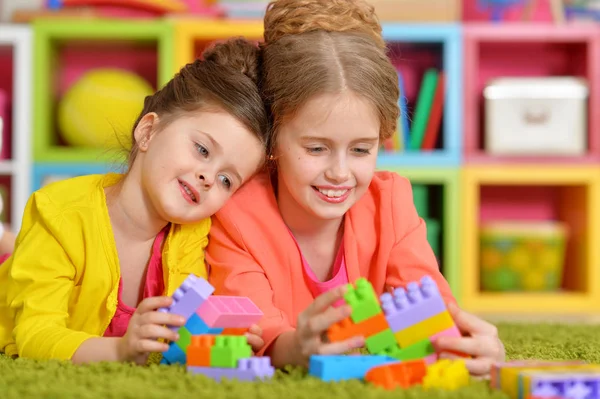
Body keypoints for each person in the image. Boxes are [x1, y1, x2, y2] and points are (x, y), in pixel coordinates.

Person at [206, 0, 505, 376]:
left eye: (361, 149)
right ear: (273, 137)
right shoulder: (237, 214)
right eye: (316, 148)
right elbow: (251, 326)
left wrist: (469, 344)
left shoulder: (391, 203)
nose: (340, 173)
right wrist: (294, 347)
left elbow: (431, 309)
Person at [0, 38, 267, 365]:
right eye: (202, 150)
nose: (209, 177)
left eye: (227, 179)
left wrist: (222, 339)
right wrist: (121, 350)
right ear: (148, 131)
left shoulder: (192, 233)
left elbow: (181, 332)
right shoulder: (59, 214)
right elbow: (35, 337)